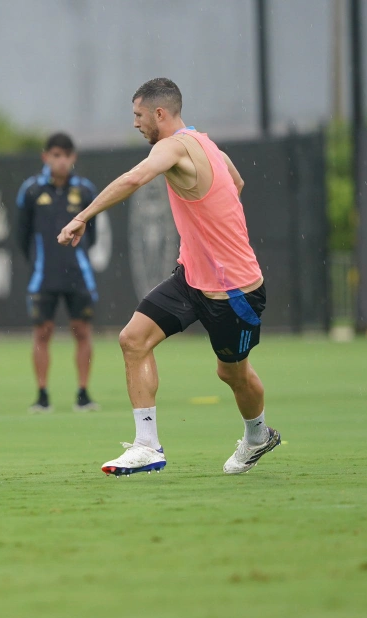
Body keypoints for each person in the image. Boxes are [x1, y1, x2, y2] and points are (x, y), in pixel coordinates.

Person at [57, 78, 281, 476]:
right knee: (133, 339)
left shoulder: (173, 145)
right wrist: (204, 239)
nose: (136, 124)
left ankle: (258, 436)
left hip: (235, 291)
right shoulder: (207, 143)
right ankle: (147, 446)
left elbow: (133, 179)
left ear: (160, 114)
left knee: (232, 372)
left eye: (138, 116)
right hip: (191, 278)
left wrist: (81, 217)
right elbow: (237, 183)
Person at [17, 132, 100, 413]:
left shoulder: (86, 191)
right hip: (44, 276)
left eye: (66, 155)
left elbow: (94, 235)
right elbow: (22, 235)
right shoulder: (30, 191)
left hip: (79, 275)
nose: (61, 161)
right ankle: (42, 395)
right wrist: (43, 260)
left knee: (82, 331)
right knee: (43, 332)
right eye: (55, 155)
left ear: (73, 158)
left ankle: (83, 394)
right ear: (46, 157)